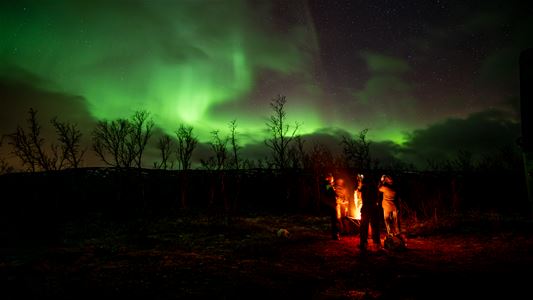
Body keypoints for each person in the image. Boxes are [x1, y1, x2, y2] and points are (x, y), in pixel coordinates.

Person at [358, 174, 382, 251]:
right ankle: (376, 242)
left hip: (366, 207)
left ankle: (363, 243)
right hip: (374, 207)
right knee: (375, 225)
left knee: (364, 225)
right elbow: (378, 197)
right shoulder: (375, 187)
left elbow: (360, 192)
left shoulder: (364, 187)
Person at [321, 173, 341, 240]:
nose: (333, 179)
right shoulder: (327, 185)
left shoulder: (328, 185)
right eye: (332, 178)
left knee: (334, 220)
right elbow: (330, 193)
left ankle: (335, 234)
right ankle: (335, 235)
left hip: (332, 204)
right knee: (334, 220)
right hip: (331, 205)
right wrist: (336, 194)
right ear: (329, 178)